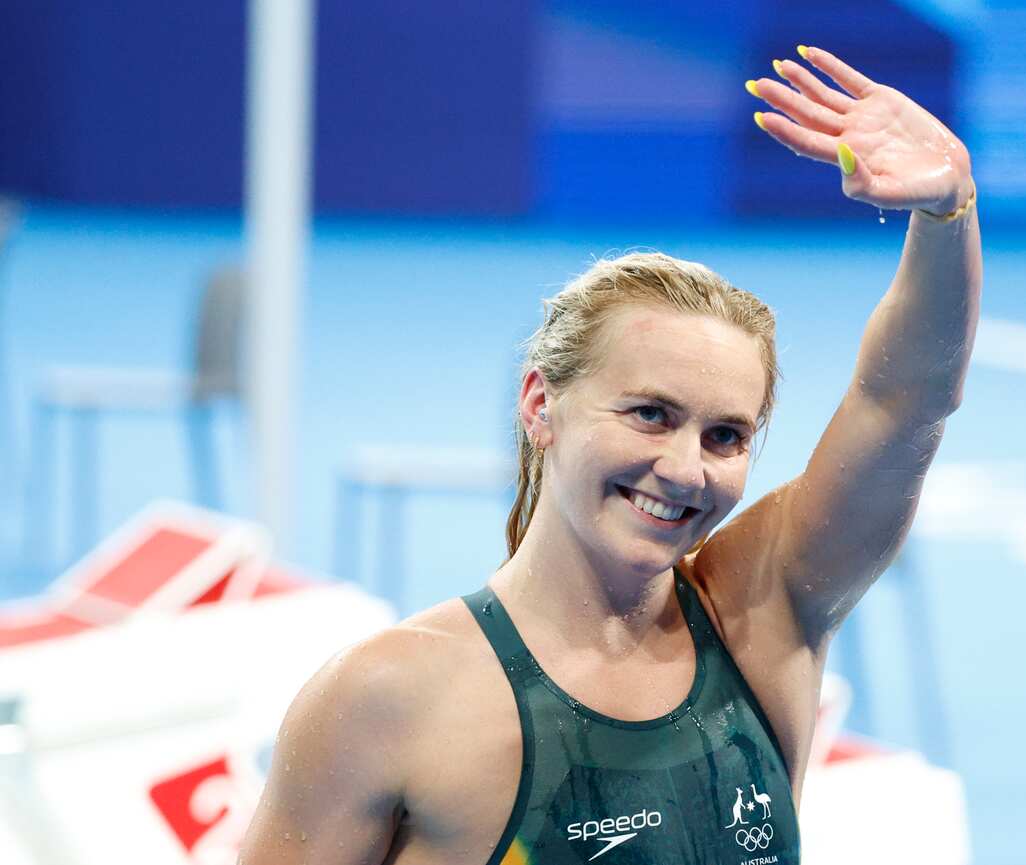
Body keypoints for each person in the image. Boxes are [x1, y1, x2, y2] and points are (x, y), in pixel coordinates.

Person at [239, 44, 980, 865]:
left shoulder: (761, 615)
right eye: (650, 415)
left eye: (725, 436)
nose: (686, 469)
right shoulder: (385, 700)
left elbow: (904, 402)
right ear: (540, 404)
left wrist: (948, 211)